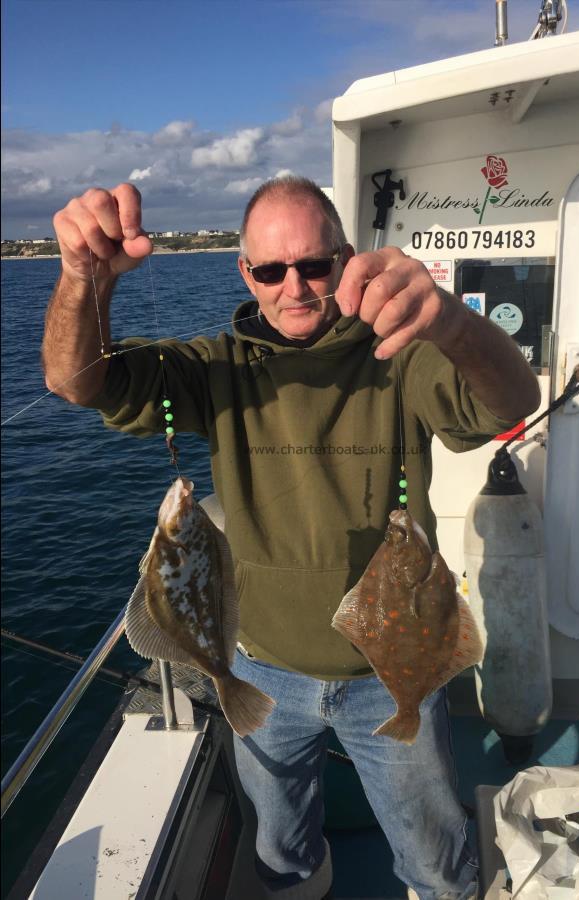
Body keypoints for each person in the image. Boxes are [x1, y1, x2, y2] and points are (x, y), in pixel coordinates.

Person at [43, 176, 540, 900]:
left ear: (342, 260)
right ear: (246, 272)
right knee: (280, 853)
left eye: (313, 265)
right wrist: (83, 279)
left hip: (388, 671)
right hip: (261, 671)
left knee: (435, 858)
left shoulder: (401, 354)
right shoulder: (215, 367)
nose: (296, 286)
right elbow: (75, 381)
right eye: (272, 269)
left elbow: (513, 402)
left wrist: (452, 325)